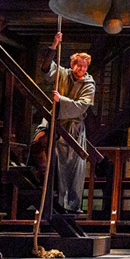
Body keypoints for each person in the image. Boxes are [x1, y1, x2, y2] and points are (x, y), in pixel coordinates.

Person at [32, 32, 95, 214]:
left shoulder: (89, 84)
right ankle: (43, 181)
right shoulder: (64, 73)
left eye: (84, 66)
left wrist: (62, 100)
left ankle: (67, 204)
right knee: (38, 142)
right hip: (54, 119)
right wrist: (54, 45)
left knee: (69, 166)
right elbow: (46, 69)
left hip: (72, 128)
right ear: (73, 65)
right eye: (78, 65)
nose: (81, 69)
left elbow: (81, 106)